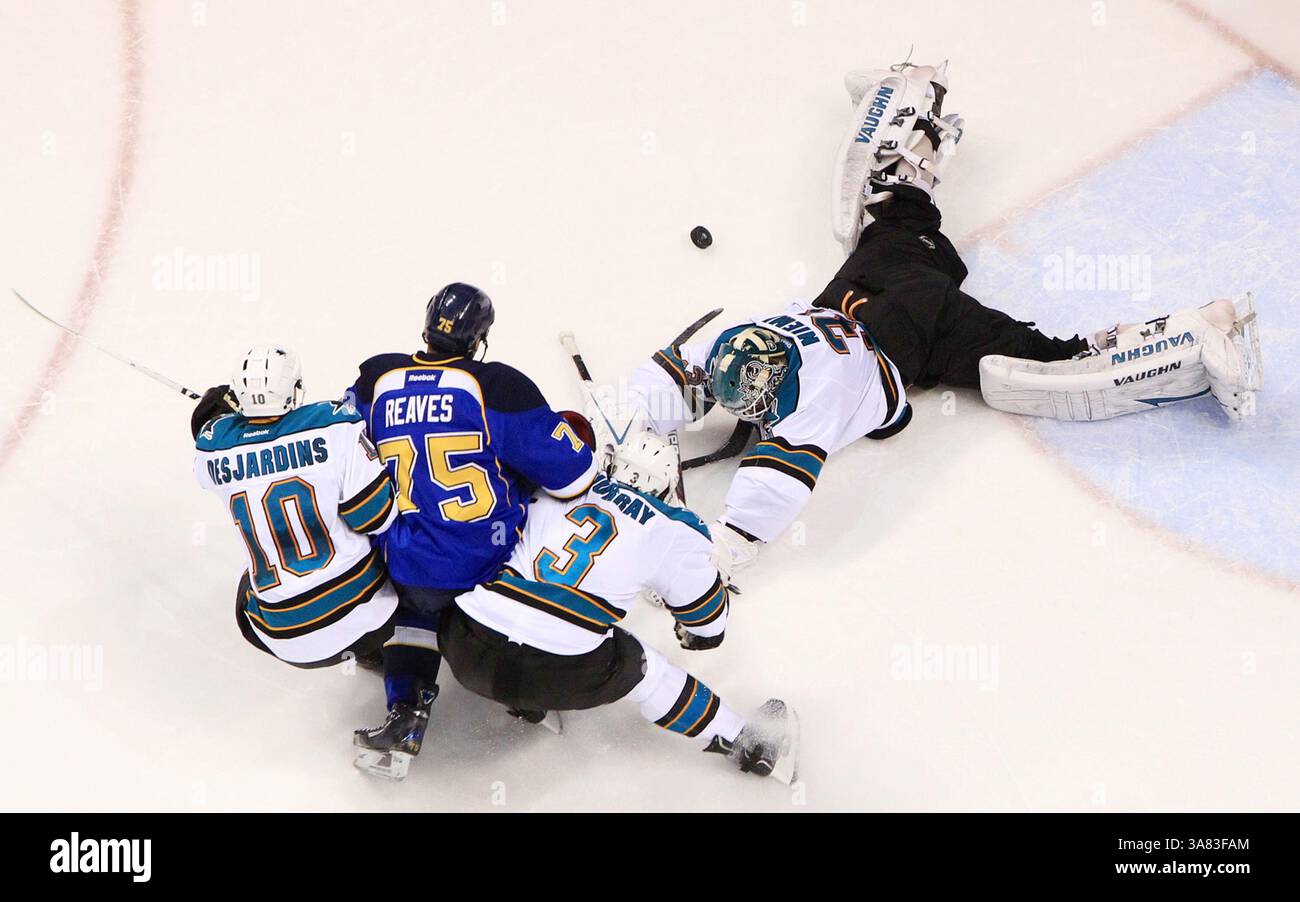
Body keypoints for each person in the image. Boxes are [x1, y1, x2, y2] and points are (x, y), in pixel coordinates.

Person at [614, 59, 1261, 578]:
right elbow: (691, 375)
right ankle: (912, 95)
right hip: (881, 280)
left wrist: (720, 551)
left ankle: (1200, 330)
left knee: (1047, 365)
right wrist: (638, 423)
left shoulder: (807, 400)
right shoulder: (747, 340)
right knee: (893, 212)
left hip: (920, 334)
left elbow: (767, 489)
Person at [345, 282, 599, 779]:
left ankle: (406, 713)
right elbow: (575, 479)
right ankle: (525, 689)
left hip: (403, 562)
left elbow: (338, 449)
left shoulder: (375, 376)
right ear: (480, 337)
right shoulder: (499, 385)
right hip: (488, 565)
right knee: (546, 507)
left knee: (415, 607)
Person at [441, 430, 799, 782]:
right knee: (645, 668)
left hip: (464, 646)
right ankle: (748, 742)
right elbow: (708, 625)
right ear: (666, 487)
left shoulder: (557, 481)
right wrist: (695, 631)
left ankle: (417, 698)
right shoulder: (673, 526)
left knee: (456, 591)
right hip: (559, 673)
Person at [191, 346, 399, 670]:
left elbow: (208, 434)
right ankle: (393, 652)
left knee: (247, 584)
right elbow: (377, 517)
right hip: (369, 618)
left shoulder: (212, 448)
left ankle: (358, 651)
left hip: (285, 639)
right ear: (294, 389)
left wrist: (217, 413)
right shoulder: (334, 426)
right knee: (398, 544)